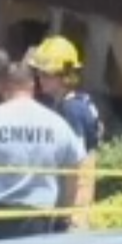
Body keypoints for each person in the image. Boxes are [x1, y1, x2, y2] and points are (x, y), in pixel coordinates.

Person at [0, 62, 88, 244]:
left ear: (5, 86)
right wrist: (65, 214)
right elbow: (74, 171)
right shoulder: (57, 124)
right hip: (38, 221)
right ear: (32, 85)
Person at [26, 35, 103, 230]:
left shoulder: (71, 110)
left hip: (73, 204)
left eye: (47, 74)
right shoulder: (80, 102)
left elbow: (76, 163)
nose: (40, 79)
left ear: (65, 74)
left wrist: (70, 212)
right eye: (39, 74)